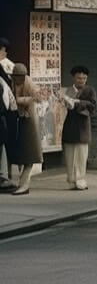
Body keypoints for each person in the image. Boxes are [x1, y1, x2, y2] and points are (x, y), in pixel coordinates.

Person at [61, 65, 97, 190]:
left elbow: (94, 106)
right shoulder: (68, 91)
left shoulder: (90, 90)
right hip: (70, 123)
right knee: (70, 153)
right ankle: (71, 179)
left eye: (83, 78)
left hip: (83, 124)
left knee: (82, 154)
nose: (81, 80)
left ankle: (81, 179)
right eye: (78, 78)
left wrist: (78, 102)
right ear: (74, 78)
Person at [10, 64, 42, 195]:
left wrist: (20, 100)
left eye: (20, 76)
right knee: (19, 155)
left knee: (29, 155)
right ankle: (20, 183)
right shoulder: (11, 84)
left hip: (29, 121)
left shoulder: (29, 83)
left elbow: (38, 98)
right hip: (17, 120)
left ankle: (24, 184)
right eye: (16, 76)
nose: (18, 79)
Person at [0, 37, 18, 192]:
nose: (4, 53)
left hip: (5, 116)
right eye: (2, 50)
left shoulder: (5, 68)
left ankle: (4, 176)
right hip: (3, 114)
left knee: (4, 147)